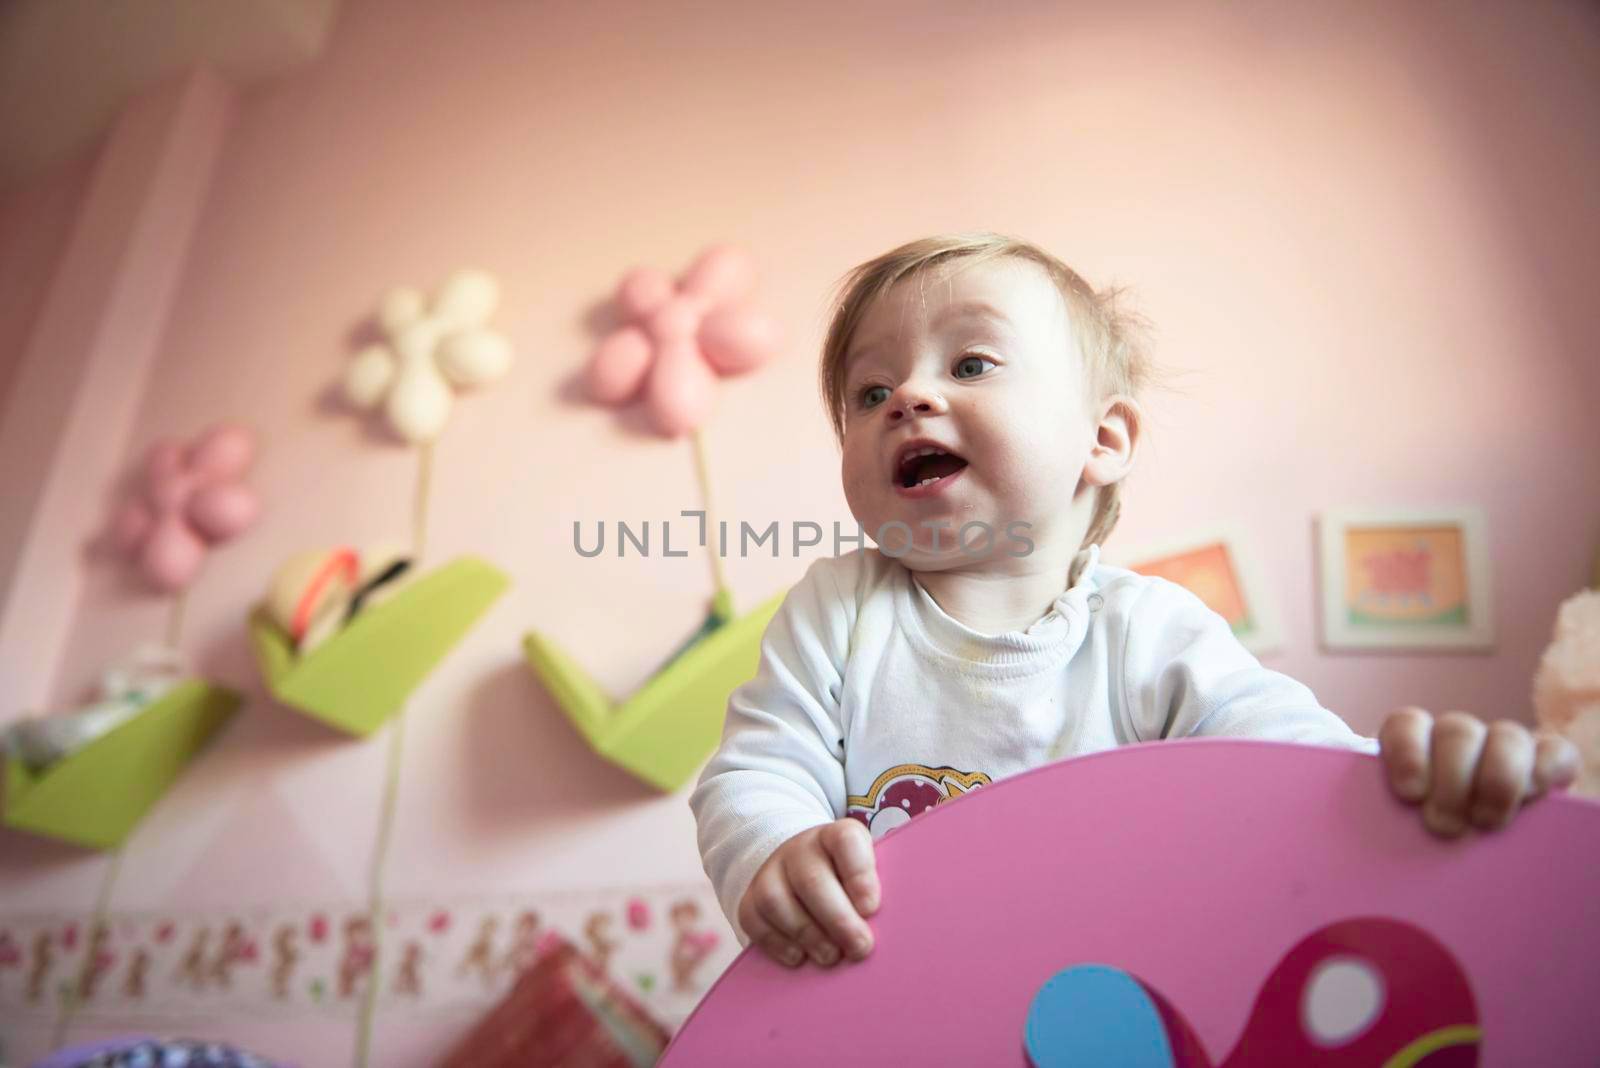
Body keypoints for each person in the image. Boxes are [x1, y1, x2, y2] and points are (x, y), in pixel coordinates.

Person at [689, 233, 1579, 970]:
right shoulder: (839, 607)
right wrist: (775, 849)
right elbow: (760, 767)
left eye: (970, 363)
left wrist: (1423, 781)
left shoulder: (1151, 632)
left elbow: (1298, 778)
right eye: (869, 392)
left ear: (1103, 438)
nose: (909, 400)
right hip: (892, 989)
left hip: (1125, 989)